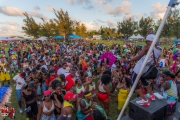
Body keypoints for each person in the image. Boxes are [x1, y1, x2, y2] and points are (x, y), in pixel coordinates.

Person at [122, 34, 162, 106]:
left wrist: (128, 60)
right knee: (143, 80)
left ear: (151, 41)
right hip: (146, 68)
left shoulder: (147, 47)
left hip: (139, 68)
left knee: (133, 82)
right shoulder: (159, 48)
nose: (146, 43)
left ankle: (144, 100)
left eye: (147, 41)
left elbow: (139, 56)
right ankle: (151, 95)